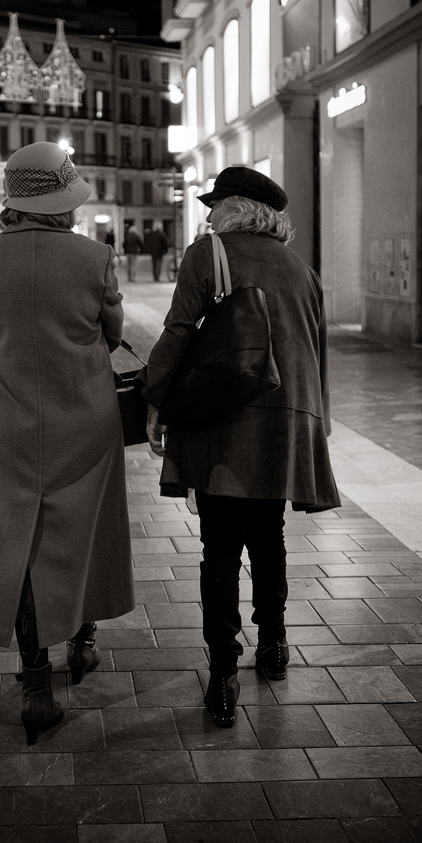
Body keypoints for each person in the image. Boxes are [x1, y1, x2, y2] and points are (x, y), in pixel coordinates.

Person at [143, 166, 340, 728]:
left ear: (236, 208)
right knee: (269, 537)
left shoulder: (210, 254)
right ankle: (274, 645)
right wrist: (317, 423)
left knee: (220, 548)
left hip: (225, 424)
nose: (207, 214)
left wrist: (156, 399)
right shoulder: (303, 269)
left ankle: (224, 672)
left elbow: (178, 332)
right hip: (284, 426)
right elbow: (315, 353)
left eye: (215, 203)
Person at [0, 142, 135, 744]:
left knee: (18, 542)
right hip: (84, 417)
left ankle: (34, 684)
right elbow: (112, 334)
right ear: (64, 202)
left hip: (6, 422)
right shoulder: (94, 257)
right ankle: (82, 642)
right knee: (82, 531)